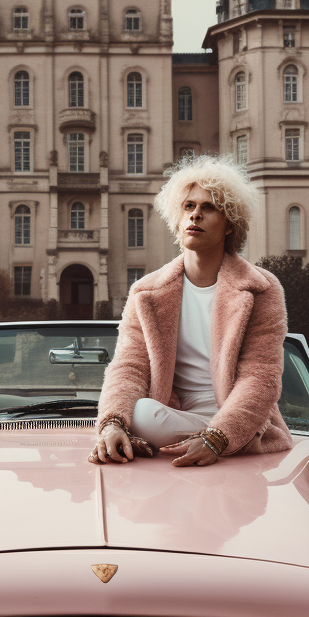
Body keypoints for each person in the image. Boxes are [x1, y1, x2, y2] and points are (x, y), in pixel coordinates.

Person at [90, 154, 292, 467]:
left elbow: (260, 377)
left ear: (229, 224)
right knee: (142, 413)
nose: (195, 215)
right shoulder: (146, 292)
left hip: (240, 424)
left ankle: (208, 440)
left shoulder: (262, 289)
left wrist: (218, 437)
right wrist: (112, 424)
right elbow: (129, 366)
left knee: (145, 418)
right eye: (188, 206)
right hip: (172, 417)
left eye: (208, 207)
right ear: (178, 217)